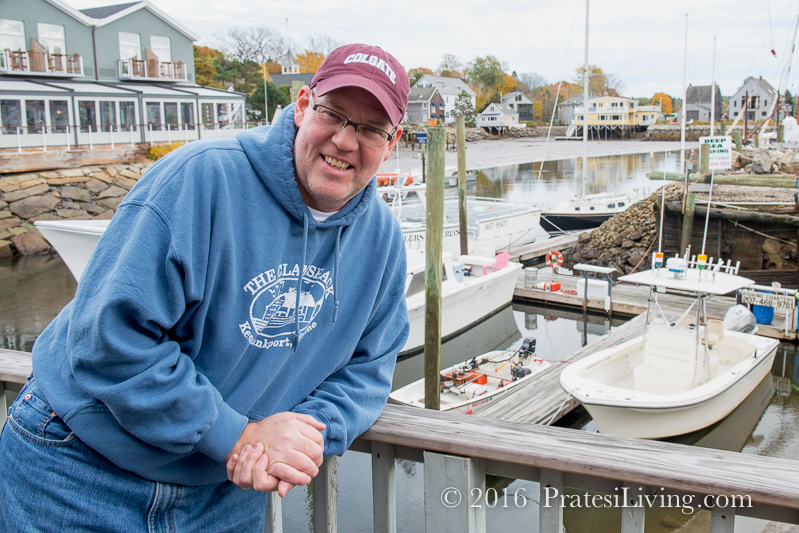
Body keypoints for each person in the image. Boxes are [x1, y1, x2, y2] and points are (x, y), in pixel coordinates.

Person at [0, 43, 410, 532]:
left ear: (392, 141)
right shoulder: (199, 179)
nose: (345, 140)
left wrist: (305, 437)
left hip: (224, 492)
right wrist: (235, 435)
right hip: (80, 468)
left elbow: (369, 367)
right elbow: (109, 339)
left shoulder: (382, 240)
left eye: (369, 128)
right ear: (302, 106)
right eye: (333, 114)